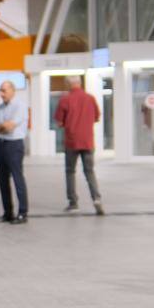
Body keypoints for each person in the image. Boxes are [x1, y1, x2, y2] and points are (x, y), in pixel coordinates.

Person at [54, 76, 104, 216]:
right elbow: (96, 117)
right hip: (88, 141)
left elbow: (59, 121)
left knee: (70, 171)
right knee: (89, 171)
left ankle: (73, 203)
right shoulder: (90, 98)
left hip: (72, 141)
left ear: (68, 84)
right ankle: (96, 199)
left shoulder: (65, 99)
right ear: (80, 83)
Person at [0, 80, 28, 224]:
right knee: (2, 181)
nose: (1, 93)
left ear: (13, 90)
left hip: (14, 145)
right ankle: (8, 213)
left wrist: (2, 126)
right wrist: (2, 126)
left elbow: (10, 126)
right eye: (0, 90)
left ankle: (23, 212)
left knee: (18, 178)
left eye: (4, 90)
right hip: (0, 145)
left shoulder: (20, 106)